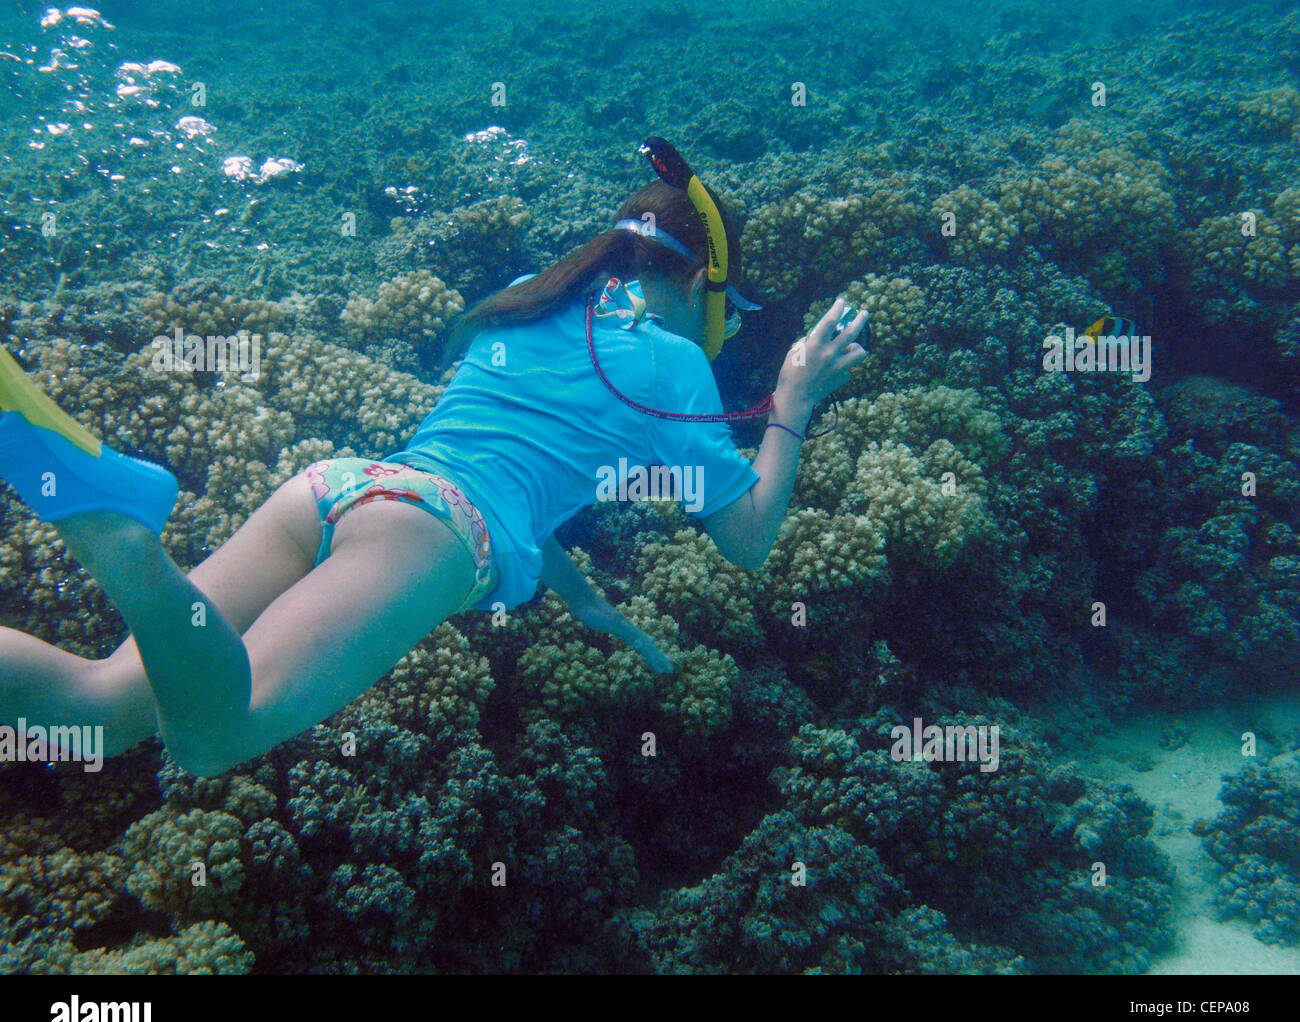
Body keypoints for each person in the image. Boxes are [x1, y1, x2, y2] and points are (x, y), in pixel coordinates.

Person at [0, 140, 868, 778]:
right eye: (728, 303)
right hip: (434, 532)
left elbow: (516, 478)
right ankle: (121, 534)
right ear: (696, 285)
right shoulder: (672, 362)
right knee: (211, 735)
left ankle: (113, 525)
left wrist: (590, 604)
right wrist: (793, 402)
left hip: (341, 489)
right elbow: (749, 541)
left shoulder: (536, 301)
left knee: (101, 707)